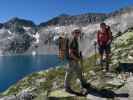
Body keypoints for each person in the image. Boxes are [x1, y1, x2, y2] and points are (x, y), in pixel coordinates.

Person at [64, 29, 89, 95]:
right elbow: (70, 53)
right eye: (76, 32)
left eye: (79, 32)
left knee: (79, 71)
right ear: (73, 33)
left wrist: (78, 56)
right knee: (69, 73)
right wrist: (77, 59)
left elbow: (74, 50)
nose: (78, 34)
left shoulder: (75, 39)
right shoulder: (72, 40)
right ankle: (67, 87)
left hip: (75, 59)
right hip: (72, 60)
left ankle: (83, 83)